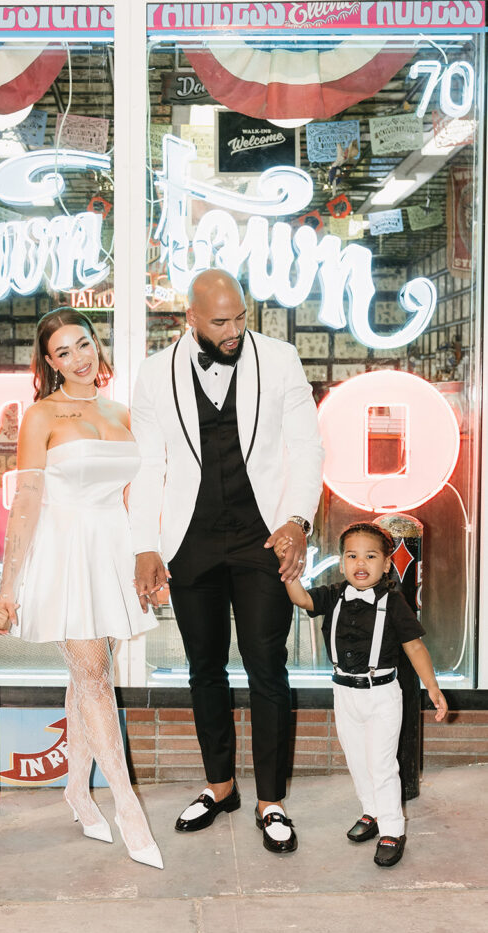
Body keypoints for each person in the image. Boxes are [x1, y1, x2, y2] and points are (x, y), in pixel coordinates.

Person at [130, 269, 324, 853]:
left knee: (268, 666)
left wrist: (298, 519)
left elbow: (305, 446)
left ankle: (271, 800)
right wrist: (144, 544)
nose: (235, 330)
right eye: (220, 321)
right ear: (189, 318)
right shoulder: (154, 372)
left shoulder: (281, 358)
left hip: (263, 534)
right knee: (203, 667)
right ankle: (220, 787)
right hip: (188, 538)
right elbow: (148, 464)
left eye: (241, 317)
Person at [0, 307, 162, 870]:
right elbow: (27, 502)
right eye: (63, 352)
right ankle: (128, 808)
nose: (78, 359)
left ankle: (76, 789)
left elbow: (141, 496)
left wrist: (147, 556)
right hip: (62, 552)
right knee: (93, 673)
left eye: (83, 344)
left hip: (110, 551)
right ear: (48, 362)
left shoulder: (121, 412)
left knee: (90, 674)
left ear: (96, 343)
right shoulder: (41, 416)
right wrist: (8, 587)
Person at [279, 521, 448, 867]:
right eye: (352, 555)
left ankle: (392, 829)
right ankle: (370, 811)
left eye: (370, 556)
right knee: (357, 760)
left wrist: (432, 687)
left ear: (386, 564)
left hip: (382, 694)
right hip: (344, 694)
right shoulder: (333, 594)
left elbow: (414, 647)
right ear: (341, 562)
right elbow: (300, 598)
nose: (360, 563)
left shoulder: (395, 602)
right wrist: (288, 568)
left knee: (382, 763)